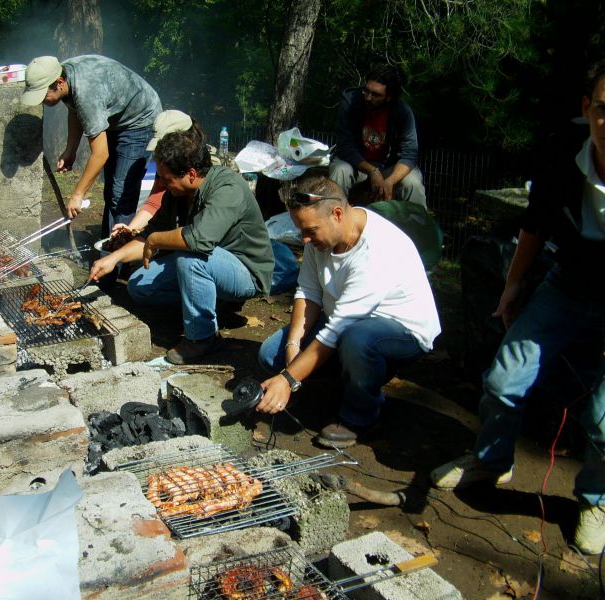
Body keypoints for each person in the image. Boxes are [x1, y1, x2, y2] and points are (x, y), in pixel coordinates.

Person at [430, 60, 605, 555]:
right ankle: (491, 459)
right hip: (567, 284)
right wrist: (512, 286)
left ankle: (596, 498)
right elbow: (534, 225)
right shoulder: (562, 154)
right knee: (505, 378)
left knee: (602, 419)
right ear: (587, 108)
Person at [255, 176, 440, 447]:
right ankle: (341, 380)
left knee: (357, 340)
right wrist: (294, 346)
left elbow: (337, 330)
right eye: (301, 230)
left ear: (337, 214)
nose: (305, 239)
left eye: (311, 231)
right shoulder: (320, 240)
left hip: (398, 330)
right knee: (271, 354)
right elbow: (307, 292)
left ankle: (361, 416)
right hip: (343, 320)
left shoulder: (377, 249)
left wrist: (289, 377)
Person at [89, 130, 274, 365]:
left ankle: (203, 338)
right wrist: (113, 258)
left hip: (245, 272)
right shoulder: (177, 193)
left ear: (191, 174)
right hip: (208, 262)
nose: (162, 185)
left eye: (167, 179)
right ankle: (211, 304)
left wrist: (156, 240)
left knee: (190, 258)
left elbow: (197, 240)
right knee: (140, 286)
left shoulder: (228, 187)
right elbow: (148, 237)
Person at [20, 55, 161, 240]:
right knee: (111, 189)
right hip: (116, 117)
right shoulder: (65, 74)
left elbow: (100, 154)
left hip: (140, 121)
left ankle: (118, 260)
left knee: (121, 193)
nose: (42, 101)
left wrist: (78, 194)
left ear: (59, 82)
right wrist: (71, 150)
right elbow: (74, 110)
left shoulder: (86, 92)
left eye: (43, 94)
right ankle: (108, 244)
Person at [110, 110, 219, 237]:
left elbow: (202, 235)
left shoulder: (206, 167)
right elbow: (154, 202)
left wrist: (156, 240)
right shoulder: (167, 165)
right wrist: (131, 229)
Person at [329, 65, 426, 207]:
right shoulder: (350, 102)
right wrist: (373, 172)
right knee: (340, 170)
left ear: (389, 97)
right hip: (355, 163)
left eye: (376, 95)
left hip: (388, 167)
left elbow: (409, 154)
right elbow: (345, 146)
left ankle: (418, 227)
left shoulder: (403, 112)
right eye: (366, 91)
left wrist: (390, 181)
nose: (368, 97)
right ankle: (332, 221)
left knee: (413, 183)